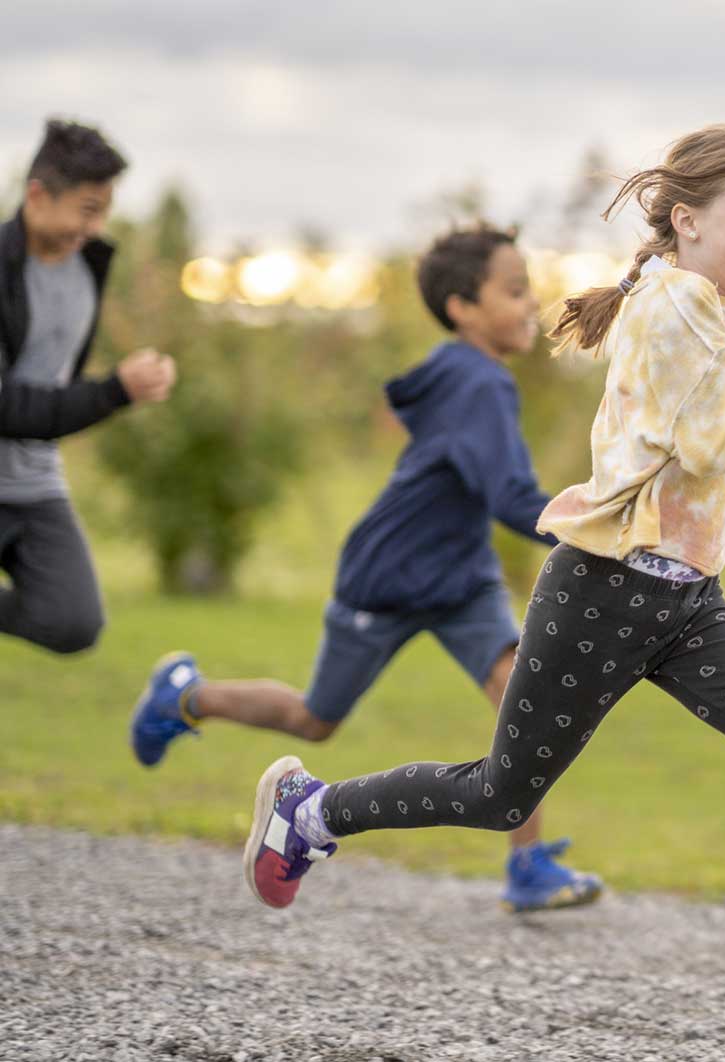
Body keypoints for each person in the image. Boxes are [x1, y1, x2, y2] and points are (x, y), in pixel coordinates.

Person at [234, 126, 725, 1062]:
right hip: (605, 589)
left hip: (687, 600)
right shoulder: (671, 307)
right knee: (500, 792)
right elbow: (719, 438)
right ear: (687, 218)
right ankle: (310, 815)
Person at [130, 223, 604, 913]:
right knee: (314, 719)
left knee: (516, 695)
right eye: (514, 289)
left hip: (461, 579)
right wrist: (597, 528)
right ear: (463, 308)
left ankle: (527, 864)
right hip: (389, 578)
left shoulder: (475, 375)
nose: (532, 302)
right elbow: (509, 498)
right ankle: (185, 695)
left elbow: (491, 491)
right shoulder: (477, 382)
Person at [1, 118, 176, 655]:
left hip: (35, 486)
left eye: (104, 211)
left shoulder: (88, 270)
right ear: (38, 195)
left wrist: (128, 384)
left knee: (73, 622)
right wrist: (116, 390)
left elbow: (55, 380)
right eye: (87, 210)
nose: (96, 227)